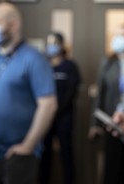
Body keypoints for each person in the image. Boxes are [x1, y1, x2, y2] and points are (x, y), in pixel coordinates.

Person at [0, 2, 57, 184]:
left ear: (13, 24)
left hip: (16, 156)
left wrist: (28, 145)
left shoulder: (33, 59)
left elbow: (48, 104)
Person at [88, 24, 124, 184]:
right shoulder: (108, 62)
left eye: (123, 36)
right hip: (111, 121)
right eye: (116, 35)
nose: (118, 39)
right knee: (112, 169)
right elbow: (100, 94)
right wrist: (95, 124)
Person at [40, 32, 81, 184]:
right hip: (45, 118)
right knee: (45, 155)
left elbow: (71, 92)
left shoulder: (70, 66)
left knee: (66, 154)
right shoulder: (43, 66)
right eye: (49, 42)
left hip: (64, 117)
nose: (52, 46)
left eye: (55, 42)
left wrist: (56, 110)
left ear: (62, 45)